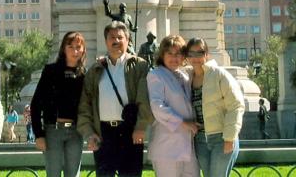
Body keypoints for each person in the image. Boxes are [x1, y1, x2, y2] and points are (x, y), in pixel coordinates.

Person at [77, 21, 153, 177]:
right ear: (106, 41)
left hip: (131, 132)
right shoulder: (95, 70)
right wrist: (89, 133)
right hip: (103, 134)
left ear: (128, 40)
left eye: (120, 37)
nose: (116, 41)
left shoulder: (140, 66)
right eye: (112, 37)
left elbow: (144, 101)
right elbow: (85, 105)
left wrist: (140, 127)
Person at [185, 38, 245, 177]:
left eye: (199, 53)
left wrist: (229, 138)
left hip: (222, 138)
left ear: (207, 54)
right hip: (200, 139)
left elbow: (236, 105)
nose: (195, 58)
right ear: (187, 57)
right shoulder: (187, 77)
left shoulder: (219, 74)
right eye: (191, 54)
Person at [31, 31, 86, 177]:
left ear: (83, 50)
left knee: (73, 174)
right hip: (52, 131)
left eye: (78, 47)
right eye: (71, 47)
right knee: (53, 174)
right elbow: (36, 104)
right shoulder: (51, 71)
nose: (75, 51)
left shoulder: (85, 75)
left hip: (76, 132)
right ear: (63, 49)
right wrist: (38, 134)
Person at [147, 35, 200, 177]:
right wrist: (183, 123)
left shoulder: (186, 76)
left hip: (188, 147)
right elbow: (157, 106)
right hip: (167, 148)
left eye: (178, 54)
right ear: (162, 55)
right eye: (169, 53)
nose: (174, 57)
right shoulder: (156, 75)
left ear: (184, 57)